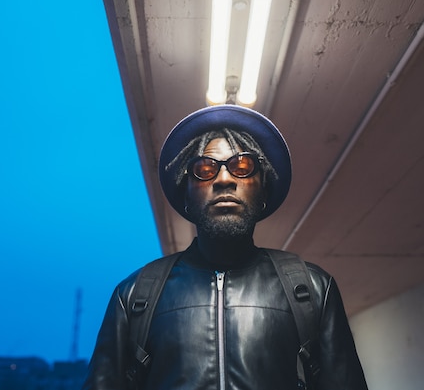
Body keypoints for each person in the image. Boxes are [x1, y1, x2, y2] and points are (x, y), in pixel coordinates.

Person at [83, 105, 368, 390]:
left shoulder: (314, 290)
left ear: (263, 191)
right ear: (187, 196)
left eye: (242, 167)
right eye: (205, 169)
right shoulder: (133, 297)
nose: (224, 179)